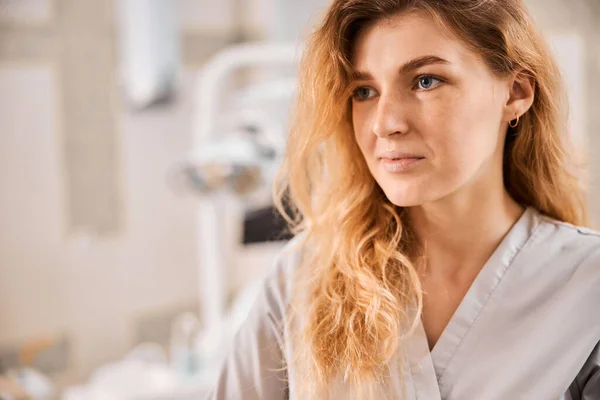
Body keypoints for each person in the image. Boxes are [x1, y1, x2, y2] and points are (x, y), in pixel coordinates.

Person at [206, 0, 600, 398]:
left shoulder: (586, 289)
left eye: (425, 81)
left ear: (515, 92)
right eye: (364, 91)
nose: (384, 123)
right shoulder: (299, 284)